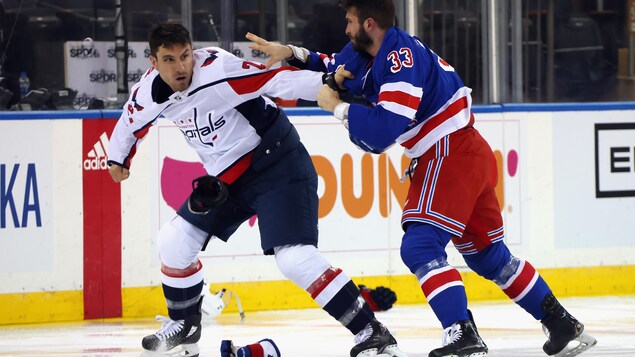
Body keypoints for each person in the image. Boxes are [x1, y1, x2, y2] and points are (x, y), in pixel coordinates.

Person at [246, 1, 598, 356]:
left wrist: (336, 107)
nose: (346, 29)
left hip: (449, 154)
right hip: (465, 152)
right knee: (489, 257)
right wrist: (290, 52)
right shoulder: (371, 49)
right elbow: (332, 65)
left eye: (350, 22)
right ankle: (561, 323)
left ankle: (463, 334)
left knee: (420, 247)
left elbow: (382, 133)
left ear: (369, 23)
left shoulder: (401, 60)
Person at [106, 22, 405, 357]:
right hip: (227, 179)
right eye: (170, 60)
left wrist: (326, 82)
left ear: (193, 51)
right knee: (173, 242)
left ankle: (372, 332)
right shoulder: (146, 92)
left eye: (185, 56)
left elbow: (274, 79)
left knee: (294, 258)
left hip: (277, 162)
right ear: (153, 62)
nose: (180, 67)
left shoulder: (217, 69)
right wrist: (117, 159)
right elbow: (130, 122)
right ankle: (185, 326)